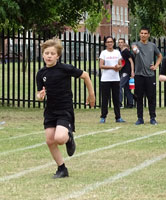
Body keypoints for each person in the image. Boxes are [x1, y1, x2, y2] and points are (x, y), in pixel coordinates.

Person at [36, 38, 95, 178]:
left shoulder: (65, 69)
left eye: (52, 53)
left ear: (58, 56)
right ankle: (62, 169)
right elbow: (39, 94)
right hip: (50, 110)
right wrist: (40, 96)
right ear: (43, 55)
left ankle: (69, 138)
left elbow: (85, 75)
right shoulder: (41, 74)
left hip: (64, 109)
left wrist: (91, 94)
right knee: (50, 140)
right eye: (46, 53)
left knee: (60, 138)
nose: (49, 56)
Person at [131, 27, 163, 125]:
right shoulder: (135, 44)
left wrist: (156, 66)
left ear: (148, 35)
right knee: (139, 97)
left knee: (151, 97)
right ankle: (140, 118)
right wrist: (135, 50)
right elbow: (134, 49)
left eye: (145, 33)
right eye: (141, 33)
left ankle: (152, 118)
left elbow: (160, 56)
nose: (143, 35)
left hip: (150, 75)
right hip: (139, 75)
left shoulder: (152, 46)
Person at [99, 36, 125, 123]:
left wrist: (118, 67)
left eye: (111, 42)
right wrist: (112, 67)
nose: (110, 43)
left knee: (116, 99)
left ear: (113, 43)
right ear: (105, 43)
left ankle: (118, 117)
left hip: (115, 79)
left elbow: (120, 65)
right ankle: (103, 116)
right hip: (105, 79)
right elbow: (101, 65)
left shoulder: (117, 53)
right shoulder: (103, 53)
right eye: (108, 42)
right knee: (105, 99)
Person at [118, 38, 134, 108]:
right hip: (123, 71)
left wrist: (132, 71)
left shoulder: (126, 51)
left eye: (121, 42)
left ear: (124, 43)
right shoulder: (120, 52)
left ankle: (119, 103)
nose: (120, 44)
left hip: (126, 72)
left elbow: (131, 61)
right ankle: (130, 103)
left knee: (119, 86)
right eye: (119, 42)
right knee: (127, 88)